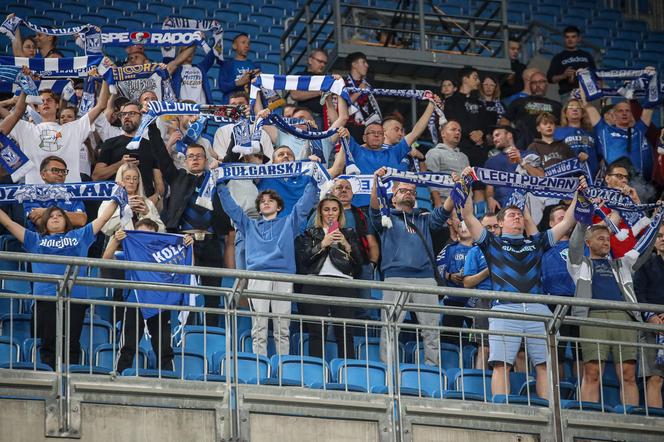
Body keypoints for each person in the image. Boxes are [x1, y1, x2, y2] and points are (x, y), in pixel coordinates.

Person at [460, 166, 579, 399]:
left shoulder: (537, 242)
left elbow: (567, 223)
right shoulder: (491, 243)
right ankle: (502, 410)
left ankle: (547, 411)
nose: (517, 217)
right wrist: (466, 185)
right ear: (501, 223)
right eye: (511, 215)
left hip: (538, 310)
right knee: (501, 364)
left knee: (544, 365)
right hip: (504, 309)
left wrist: (578, 196)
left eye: (519, 215)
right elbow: (467, 215)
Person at [0, 196, 120, 370]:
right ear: (45, 222)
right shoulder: (34, 239)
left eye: (59, 215)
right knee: (48, 343)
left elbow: (103, 218)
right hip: (46, 298)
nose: (55, 217)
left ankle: (69, 383)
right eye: (51, 216)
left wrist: (117, 198)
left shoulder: (80, 235)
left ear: (66, 221)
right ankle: (51, 381)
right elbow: (9, 224)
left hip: (75, 298)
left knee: (71, 343)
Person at [217, 178, 319, 356]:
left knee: (283, 328)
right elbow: (232, 209)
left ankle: (283, 366)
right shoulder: (248, 224)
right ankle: (259, 366)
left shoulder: (289, 222)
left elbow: (304, 205)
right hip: (258, 276)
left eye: (270, 201)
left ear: (279, 206)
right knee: (259, 326)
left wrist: (312, 180)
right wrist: (220, 185)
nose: (266, 203)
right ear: (259, 207)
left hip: (283, 277)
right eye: (263, 201)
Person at [370, 167, 454, 366]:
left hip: (425, 279)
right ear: (393, 197)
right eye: (403, 190)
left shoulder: (424, 217)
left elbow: (445, 210)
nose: (408, 193)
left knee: (431, 331)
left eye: (412, 192)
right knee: (390, 328)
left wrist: (457, 187)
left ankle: (432, 370)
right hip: (394, 277)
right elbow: (374, 206)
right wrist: (376, 180)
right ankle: (389, 372)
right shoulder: (385, 217)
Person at [568, 215, 655, 406]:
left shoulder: (622, 263)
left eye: (607, 239)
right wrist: (583, 217)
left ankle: (631, 420)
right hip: (592, 318)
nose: (606, 242)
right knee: (592, 371)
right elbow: (574, 243)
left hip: (624, 318)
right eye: (600, 239)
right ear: (588, 243)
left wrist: (656, 223)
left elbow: (645, 248)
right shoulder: (579, 263)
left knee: (628, 374)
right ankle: (589, 417)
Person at [150, 131, 234, 326]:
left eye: (199, 156)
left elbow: (232, 157)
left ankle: (211, 335)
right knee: (184, 291)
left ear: (206, 159)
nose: (195, 160)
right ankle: (183, 332)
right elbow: (161, 157)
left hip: (212, 243)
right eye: (191, 157)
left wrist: (238, 131)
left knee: (212, 294)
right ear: (185, 161)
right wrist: (152, 124)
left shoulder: (216, 179)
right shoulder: (177, 177)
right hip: (184, 243)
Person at [102, 219, 193, 373]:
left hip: (160, 303)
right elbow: (105, 260)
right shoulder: (130, 253)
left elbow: (186, 266)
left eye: (149, 235)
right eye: (141, 235)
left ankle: (168, 381)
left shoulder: (164, 255)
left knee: (164, 346)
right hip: (135, 301)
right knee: (128, 345)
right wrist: (115, 240)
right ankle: (119, 376)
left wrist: (187, 246)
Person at [0, 78, 110, 184]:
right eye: (41, 101)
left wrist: (106, 76)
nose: (45, 103)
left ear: (57, 105)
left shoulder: (74, 128)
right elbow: (13, 115)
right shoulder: (25, 129)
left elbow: (101, 106)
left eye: (49, 100)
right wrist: (11, 101)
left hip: (68, 195)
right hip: (36, 195)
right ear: (37, 108)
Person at [296, 195, 364, 359]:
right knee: (316, 331)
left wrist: (347, 245)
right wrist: (322, 244)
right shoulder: (310, 233)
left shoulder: (349, 233)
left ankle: (347, 374)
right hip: (316, 283)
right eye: (326, 209)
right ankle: (317, 373)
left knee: (345, 332)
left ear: (340, 213)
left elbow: (360, 265)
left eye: (334, 209)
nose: (330, 213)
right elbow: (304, 260)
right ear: (320, 213)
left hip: (343, 285)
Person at [580, 85, 655, 193]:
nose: (624, 113)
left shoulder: (639, 130)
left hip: (637, 184)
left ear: (631, 114)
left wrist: (652, 79)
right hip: (613, 183)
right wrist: (582, 79)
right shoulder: (604, 130)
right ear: (613, 115)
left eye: (627, 111)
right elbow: (588, 105)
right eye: (620, 111)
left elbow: (650, 106)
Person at [92, 101, 163, 206]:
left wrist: (155, 198)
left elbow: (159, 183)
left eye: (132, 114)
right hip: (115, 204)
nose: (126, 117)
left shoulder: (151, 145)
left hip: (144, 204)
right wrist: (120, 164)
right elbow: (96, 176)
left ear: (141, 117)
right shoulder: (110, 143)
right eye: (123, 114)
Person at [540, 204, 579, 377]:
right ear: (551, 223)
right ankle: (559, 394)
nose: (566, 222)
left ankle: (581, 400)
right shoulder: (543, 245)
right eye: (560, 219)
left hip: (580, 304)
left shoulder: (581, 243)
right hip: (553, 305)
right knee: (557, 354)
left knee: (582, 356)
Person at [463, 213, 500, 369]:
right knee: (484, 347)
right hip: (484, 301)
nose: (492, 230)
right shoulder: (475, 251)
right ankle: (480, 383)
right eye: (488, 227)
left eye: (495, 226)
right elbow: (467, 282)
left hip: (507, 300)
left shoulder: (511, 249)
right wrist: (488, 270)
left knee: (516, 349)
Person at [592, 161, 650, 258]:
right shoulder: (596, 201)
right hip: (609, 260)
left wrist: (637, 202)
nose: (624, 180)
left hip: (634, 260)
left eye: (626, 177)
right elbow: (593, 233)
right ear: (607, 178)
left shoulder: (628, 202)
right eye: (619, 176)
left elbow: (644, 232)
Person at [634, 224, 664, 408]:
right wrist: (651, 316)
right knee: (655, 378)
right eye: (659, 235)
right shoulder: (645, 266)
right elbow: (639, 294)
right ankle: (656, 424)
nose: (663, 239)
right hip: (653, 327)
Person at [484, 125, 543, 214]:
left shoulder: (529, 154)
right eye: (493, 137)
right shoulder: (491, 161)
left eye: (497, 135)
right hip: (504, 209)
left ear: (509, 135)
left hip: (532, 205)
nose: (494, 139)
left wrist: (521, 162)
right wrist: (490, 198)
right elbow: (489, 189)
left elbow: (542, 178)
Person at [437, 212, 474, 345]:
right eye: (461, 226)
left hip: (475, 301)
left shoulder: (481, 249)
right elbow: (438, 268)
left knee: (475, 341)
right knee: (449, 339)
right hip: (453, 300)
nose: (463, 228)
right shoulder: (449, 248)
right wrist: (450, 276)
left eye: (467, 226)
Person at [443, 67, 492, 167]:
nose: (478, 81)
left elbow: (486, 122)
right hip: (461, 148)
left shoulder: (480, 102)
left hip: (479, 149)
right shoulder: (451, 101)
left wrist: (481, 132)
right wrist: (471, 133)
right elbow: (452, 121)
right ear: (465, 79)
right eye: (475, 78)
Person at [98, 163, 164, 236]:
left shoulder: (147, 203)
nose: (131, 182)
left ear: (138, 181)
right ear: (121, 180)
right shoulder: (109, 202)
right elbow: (105, 228)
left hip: (143, 245)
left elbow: (162, 231)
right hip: (119, 245)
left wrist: (147, 214)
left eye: (135, 179)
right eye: (127, 178)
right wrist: (125, 210)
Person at [23, 156, 87, 231]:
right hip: (41, 240)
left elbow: (81, 220)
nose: (60, 174)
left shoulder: (73, 195)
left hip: (71, 240)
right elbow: (42, 223)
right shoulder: (31, 195)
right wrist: (69, 215)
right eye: (55, 170)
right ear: (43, 174)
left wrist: (45, 211)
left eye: (63, 171)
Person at [502, 71, 562, 150]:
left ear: (546, 84)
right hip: (523, 146)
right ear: (530, 85)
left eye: (541, 82)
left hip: (550, 146)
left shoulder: (556, 105)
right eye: (534, 83)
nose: (538, 85)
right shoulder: (519, 102)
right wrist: (509, 139)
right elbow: (504, 121)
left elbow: (564, 126)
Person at [213, 92, 274, 161]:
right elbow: (221, 160)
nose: (237, 107)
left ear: (248, 107)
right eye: (233, 105)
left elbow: (270, 160)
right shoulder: (222, 131)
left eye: (241, 104)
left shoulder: (261, 132)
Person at [425, 120, 469, 204]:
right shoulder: (434, 152)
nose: (457, 133)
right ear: (443, 134)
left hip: (465, 203)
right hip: (445, 202)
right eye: (453, 129)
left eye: (459, 131)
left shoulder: (464, 157)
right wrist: (438, 204)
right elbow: (431, 179)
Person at [546, 26, 596, 101]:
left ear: (579, 38)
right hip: (568, 93)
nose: (570, 40)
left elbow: (596, 75)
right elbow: (550, 79)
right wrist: (563, 75)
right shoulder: (558, 57)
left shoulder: (587, 55)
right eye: (567, 37)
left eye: (573, 37)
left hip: (587, 92)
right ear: (564, 39)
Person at [554, 98, 598, 176]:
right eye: (571, 107)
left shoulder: (591, 132)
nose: (575, 109)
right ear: (565, 113)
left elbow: (599, 154)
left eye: (578, 108)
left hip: (591, 176)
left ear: (583, 113)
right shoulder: (557, 132)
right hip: (568, 177)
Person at [345, 52, 381, 140]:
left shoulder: (368, 85)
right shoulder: (343, 83)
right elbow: (341, 105)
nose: (367, 65)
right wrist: (359, 91)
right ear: (354, 64)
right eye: (364, 62)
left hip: (367, 127)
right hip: (349, 127)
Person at [217, 33, 260, 104]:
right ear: (234, 46)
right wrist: (238, 83)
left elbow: (259, 88)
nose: (246, 46)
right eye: (243, 43)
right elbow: (222, 87)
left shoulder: (255, 66)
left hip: (249, 105)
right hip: (230, 104)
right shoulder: (226, 65)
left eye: (248, 44)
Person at [290, 48, 329, 124]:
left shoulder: (326, 78)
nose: (322, 65)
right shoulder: (299, 76)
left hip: (324, 117)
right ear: (310, 60)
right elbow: (294, 95)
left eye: (325, 63)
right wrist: (318, 92)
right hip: (305, 117)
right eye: (320, 61)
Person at [58, 106, 95, 182]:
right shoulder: (55, 138)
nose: (65, 119)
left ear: (76, 120)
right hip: (66, 178)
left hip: (85, 180)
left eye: (69, 116)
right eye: (62, 117)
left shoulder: (87, 138)